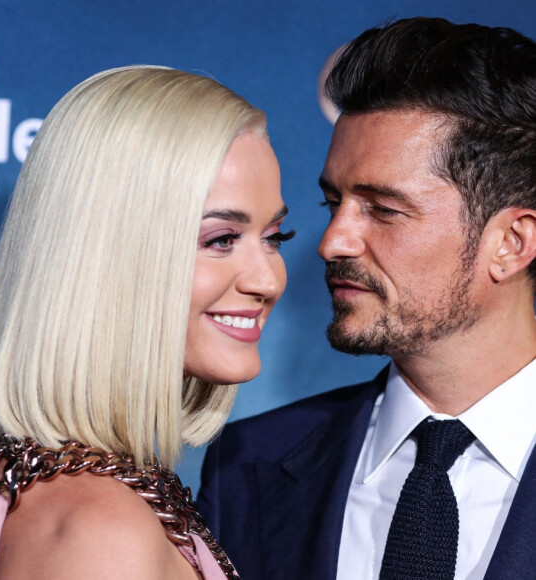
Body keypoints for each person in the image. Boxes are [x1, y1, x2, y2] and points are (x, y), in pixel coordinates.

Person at [198, 16, 536, 580]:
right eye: (335, 203)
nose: (333, 242)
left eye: (383, 209)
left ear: (511, 242)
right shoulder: (249, 463)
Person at [0, 65, 294, 579]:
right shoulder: (102, 530)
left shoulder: (10, 474)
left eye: (274, 237)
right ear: (111, 257)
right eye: (221, 240)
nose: (268, 280)